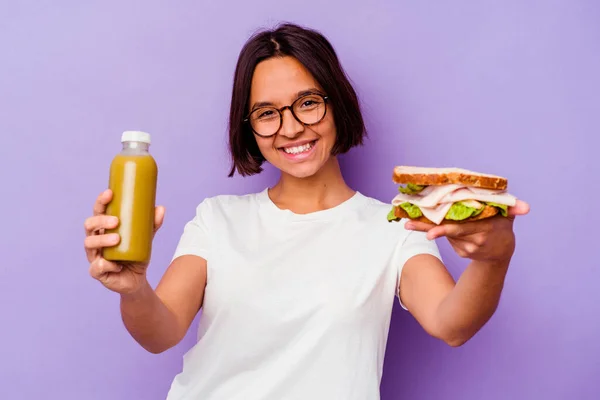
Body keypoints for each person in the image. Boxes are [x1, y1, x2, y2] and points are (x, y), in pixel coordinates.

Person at [83, 23, 529, 400]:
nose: (291, 127)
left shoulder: (393, 226)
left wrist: (493, 258)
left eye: (308, 103)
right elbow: (160, 333)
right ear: (249, 127)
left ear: (336, 102)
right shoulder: (217, 218)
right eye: (266, 113)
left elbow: (451, 323)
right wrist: (134, 288)